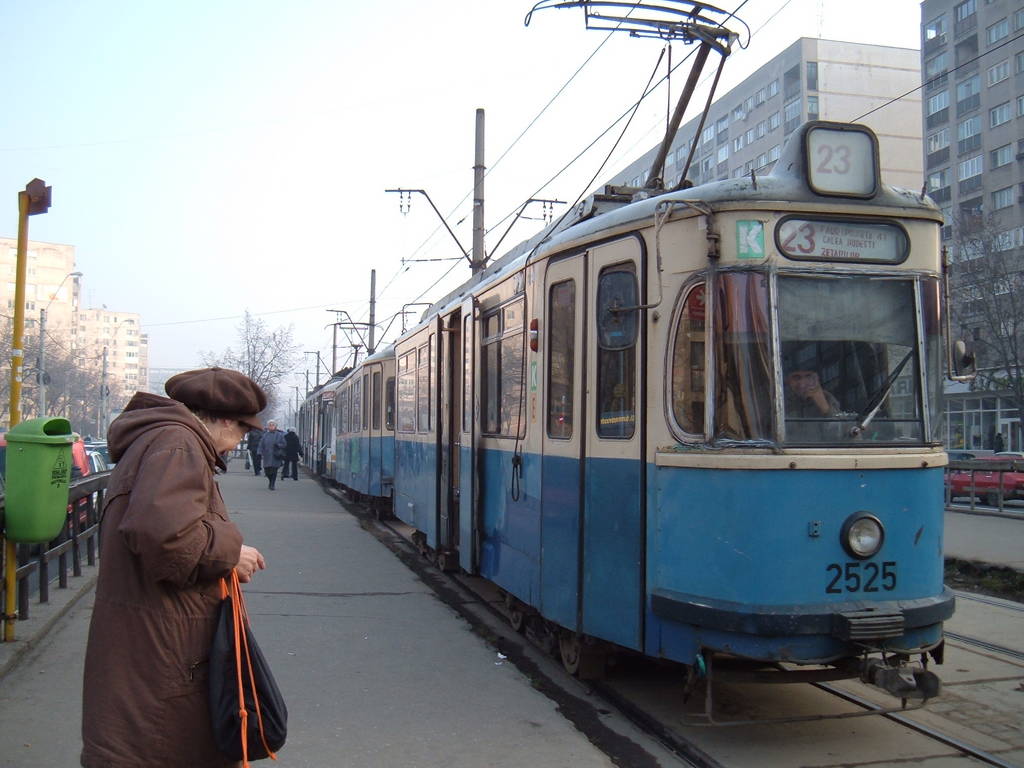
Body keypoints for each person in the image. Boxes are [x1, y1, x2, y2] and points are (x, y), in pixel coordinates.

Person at [81, 366, 267, 768]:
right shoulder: (178, 444)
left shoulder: (165, 440)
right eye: (242, 430)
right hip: (165, 646)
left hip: (153, 637)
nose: (239, 442)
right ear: (222, 420)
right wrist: (231, 552)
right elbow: (165, 538)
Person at [258, 420, 288, 490]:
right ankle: (270, 481)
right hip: (267, 456)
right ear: (268, 427)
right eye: (270, 425)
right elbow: (261, 444)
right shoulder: (265, 435)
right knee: (267, 471)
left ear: (275, 426)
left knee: (274, 470)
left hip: (275, 455)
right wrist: (259, 452)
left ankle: (272, 484)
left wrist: (278, 445)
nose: (271, 426)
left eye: (272, 425)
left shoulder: (279, 435)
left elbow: (284, 444)